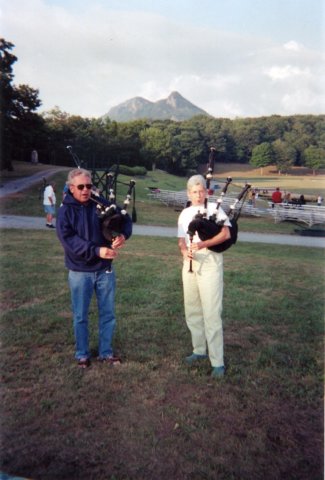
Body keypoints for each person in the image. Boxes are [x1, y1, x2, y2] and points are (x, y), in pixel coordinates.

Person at [56, 168, 132, 368]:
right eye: (80, 186)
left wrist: (122, 235)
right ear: (72, 188)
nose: (85, 190)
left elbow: (124, 218)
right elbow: (69, 241)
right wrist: (97, 251)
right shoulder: (65, 211)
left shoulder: (99, 203)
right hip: (80, 272)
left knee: (107, 313)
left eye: (88, 186)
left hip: (105, 271)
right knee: (81, 315)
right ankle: (82, 354)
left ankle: (106, 352)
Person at [177, 175, 231, 379]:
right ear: (188, 193)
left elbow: (225, 234)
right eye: (194, 192)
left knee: (211, 312)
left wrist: (202, 244)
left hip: (210, 262)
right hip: (190, 262)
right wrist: (185, 252)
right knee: (192, 309)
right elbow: (181, 239)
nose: (198, 195)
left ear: (206, 192)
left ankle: (217, 362)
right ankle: (199, 350)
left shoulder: (214, 210)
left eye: (201, 191)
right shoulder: (184, 213)